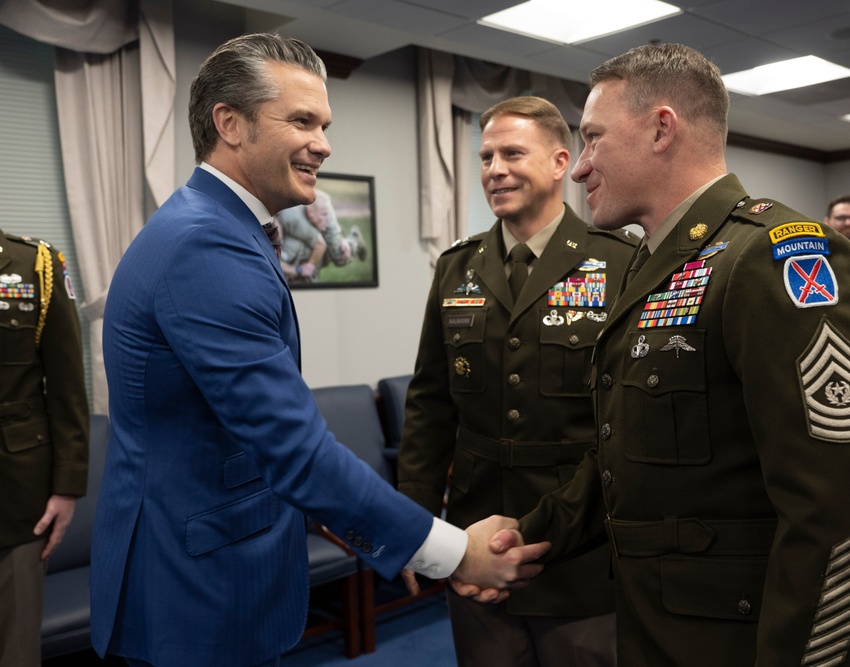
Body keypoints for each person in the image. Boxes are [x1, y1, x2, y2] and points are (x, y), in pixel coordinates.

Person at [89, 33, 548, 667]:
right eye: (302, 121)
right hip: (192, 593)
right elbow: (293, 448)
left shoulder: (219, 230)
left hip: (212, 569)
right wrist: (451, 551)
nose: (324, 144)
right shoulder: (205, 246)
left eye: (324, 124)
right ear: (231, 124)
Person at [470, 43, 850, 666]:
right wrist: (525, 535)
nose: (579, 167)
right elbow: (622, 462)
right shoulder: (653, 267)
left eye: (593, 139)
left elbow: (842, 518)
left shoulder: (774, 259)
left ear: (660, 128)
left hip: (749, 641)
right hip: (665, 632)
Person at [397, 95, 636, 667]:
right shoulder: (458, 266)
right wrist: (416, 521)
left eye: (511, 153)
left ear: (559, 162)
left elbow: (627, 423)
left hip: (580, 549)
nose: (494, 169)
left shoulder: (620, 262)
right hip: (474, 538)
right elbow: (430, 404)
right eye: (485, 157)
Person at [0, 231, 87, 667]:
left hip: (16, 496)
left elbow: (68, 385)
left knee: (16, 650)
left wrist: (67, 487)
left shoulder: (36, 266)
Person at [276, 189, 366, 283]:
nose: (328, 220)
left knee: (339, 253)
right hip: (311, 211)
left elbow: (320, 245)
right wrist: (299, 270)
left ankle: (355, 241)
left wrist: (303, 269)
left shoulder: (296, 220)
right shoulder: (289, 219)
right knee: (295, 247)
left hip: (317, 206)